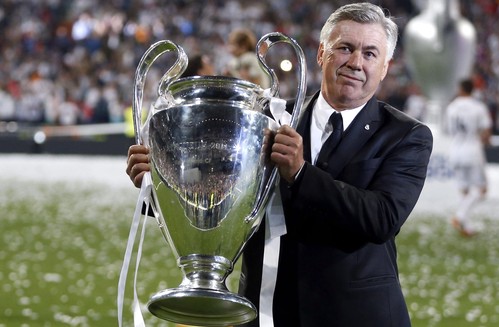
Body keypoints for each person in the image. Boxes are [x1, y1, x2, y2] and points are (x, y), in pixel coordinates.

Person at [126, 3, 433, 326]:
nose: (356, 62)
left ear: (385, 67)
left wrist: (301, 174)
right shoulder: (267, 119)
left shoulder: (406, 135)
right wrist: (159, 179)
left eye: (370, 53)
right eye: (345, 48)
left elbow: (381, 218)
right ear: (322, 54)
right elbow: (214, 195)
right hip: (268, 311)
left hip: (357, 315)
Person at [445, 78, 492, 237]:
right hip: (472, 151)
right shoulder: (478, 107)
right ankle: (460, 217)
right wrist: (487, 140)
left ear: (460, 89)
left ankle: (466, 228)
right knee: (481, 190)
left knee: (464, 190)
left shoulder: (451, 107)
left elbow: (449, 130)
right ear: (473, 90)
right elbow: (485, 131)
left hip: (455, 151)